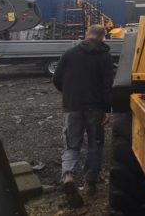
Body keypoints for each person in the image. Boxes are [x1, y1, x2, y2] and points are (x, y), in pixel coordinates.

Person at [52, 24, 113, 207]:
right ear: (103, 37)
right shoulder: (105, 56)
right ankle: (90, 184)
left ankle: (68, 175)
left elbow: (56, 79)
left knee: (71, 144)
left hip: (72, 107)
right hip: (95, 109)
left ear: (87, 34)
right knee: (95, 145)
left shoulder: (69, 53)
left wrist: (69, 94)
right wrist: (107, 109)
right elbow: (107, 86)